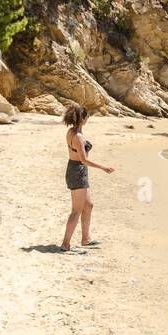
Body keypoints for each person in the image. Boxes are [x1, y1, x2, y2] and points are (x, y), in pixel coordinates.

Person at [61, 105, 114, 252]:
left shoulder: (73, 131)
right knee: (76, 210)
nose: (88, 119)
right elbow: (83, 160)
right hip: (77, 170)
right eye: (87, 117)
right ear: (83, 118)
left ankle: (86, 239)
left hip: (77, 169)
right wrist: (103, 167)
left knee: (88, 205)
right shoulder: (77, 136)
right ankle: (65, 244)